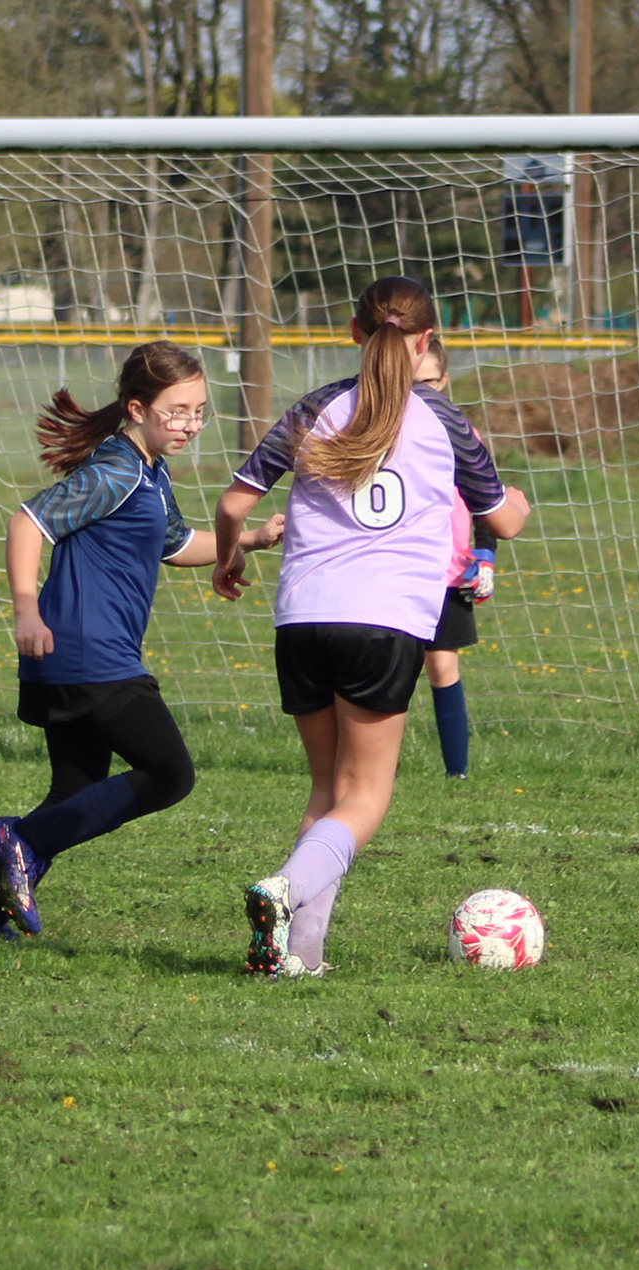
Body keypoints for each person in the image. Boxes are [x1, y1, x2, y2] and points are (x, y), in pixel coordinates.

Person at [213, 276, 530, 978]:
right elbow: (502, 520)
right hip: (383, 623)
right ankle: (284, 887)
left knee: (328, 792)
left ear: (355, 334)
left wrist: (230, 558)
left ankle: (299, 955)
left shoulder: (315, 407)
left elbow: (234, 503)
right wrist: (520, 502)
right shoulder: (443, 418)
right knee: (363, 797)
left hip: (302, 618)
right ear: (426, 342)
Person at [0, 340, 286, 942]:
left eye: (199, 411)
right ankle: (16, 838)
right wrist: (26, 609)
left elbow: (176, 545)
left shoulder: (149, 470)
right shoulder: (116, 471)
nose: (191, 424)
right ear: (137, 408)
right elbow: (28, 522)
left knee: (73, 792)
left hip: (82, 656)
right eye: (176, 411)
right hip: (88, 652)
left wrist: (248, 541)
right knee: (169, 774)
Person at [415, 336, 498, 779]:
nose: (420, 392)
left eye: (428, 382)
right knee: (388, 672)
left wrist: (485, 554)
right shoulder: (382, 432)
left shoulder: (463, 434)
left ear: (444, 381)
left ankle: (456, 773)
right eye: (411, 383)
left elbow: (488, 500)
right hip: (394, 571)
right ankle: (372, 769)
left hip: (449, 575)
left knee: (443, 664)